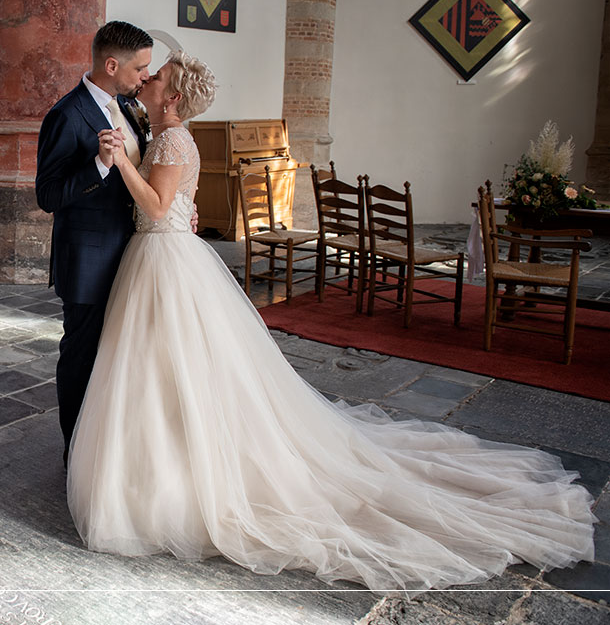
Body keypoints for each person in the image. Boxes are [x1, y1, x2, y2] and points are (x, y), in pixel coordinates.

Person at [66, 50, 595, 593]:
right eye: (148, 74)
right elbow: (173, 200)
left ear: (173, 97)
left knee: (171, 368)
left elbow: (156, 207)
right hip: (158, 257)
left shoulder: (174, 138)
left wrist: (126, 165)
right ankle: (161, 468)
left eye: (158, 77)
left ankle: (176, 479)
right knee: (160, 373)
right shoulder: (159, 131)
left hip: (164, 259)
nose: (148, 80)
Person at [35, 21, 153, 463]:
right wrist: (99, 167)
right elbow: (47, 195)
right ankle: (77, 455)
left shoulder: (130, 108)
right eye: (140, 67)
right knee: (82, 356)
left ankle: (110, 452)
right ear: (111, 64)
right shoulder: (65, 114)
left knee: (121, 356)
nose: (146, 75)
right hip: (87, 261)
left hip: (134, 253)